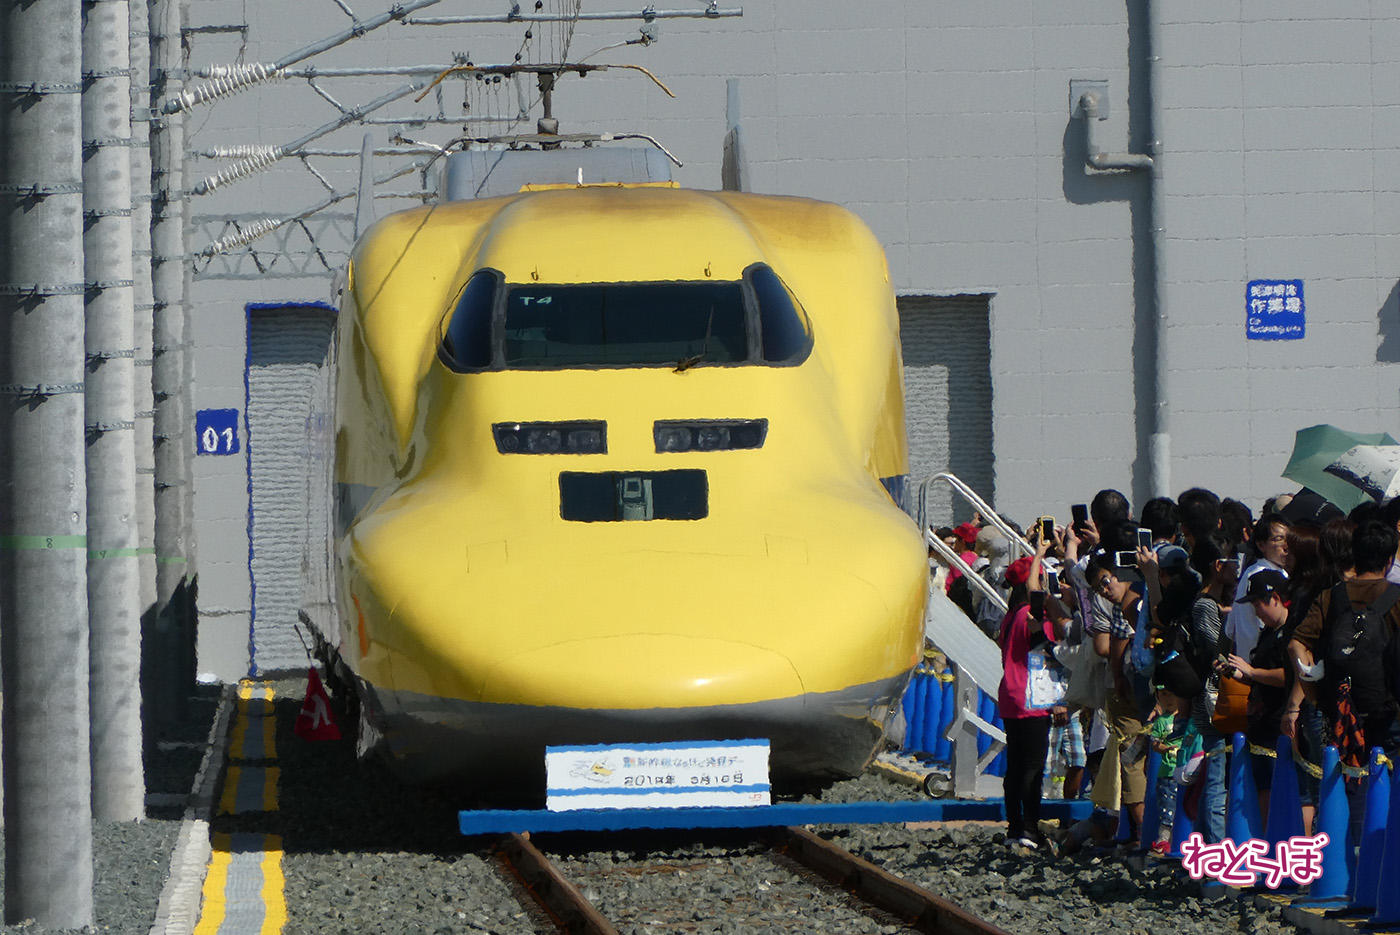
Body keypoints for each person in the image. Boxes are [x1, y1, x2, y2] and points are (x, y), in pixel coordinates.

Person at [1288, 521, 1400, 761]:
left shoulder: (1331, 595)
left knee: (1341, 788)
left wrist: (1314, 695)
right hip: (1389, 715)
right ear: (1389, 560)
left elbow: (1296, 645)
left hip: (1339, 713)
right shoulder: (1397, 596)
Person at [1230, 569, 1315, 831]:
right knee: (1264, 786)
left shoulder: (1294, 633)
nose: (1257, 612)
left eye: (1259, 604)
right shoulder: (1268, 632)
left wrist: (1252, 671)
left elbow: (1289, 676)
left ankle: (1301, 849)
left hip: (1285, 721)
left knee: (1299, 791)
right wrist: (1240, 674)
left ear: (1276, 598)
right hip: (1263, 722)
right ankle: (1271, 846)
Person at [995, 546, 1060, 850]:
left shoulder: (1009, 617)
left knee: (1016, 765)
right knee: (1033, 767)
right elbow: (1047, 651)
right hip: (1032, 697)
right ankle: (1030, 829)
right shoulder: (1032, 615)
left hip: (1010, 694)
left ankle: (1014, 826)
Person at [1087, 551, 1151, 847]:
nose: (1104, 590)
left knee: (1133, 758)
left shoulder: (1133, 603)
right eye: (1099, 587)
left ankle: (1144, 831)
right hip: (1144, 687)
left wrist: (1119, 678)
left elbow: (1116, 646)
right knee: (1142, 756)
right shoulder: (1140, 595)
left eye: (1105, 581)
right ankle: (1144, 829)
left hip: (1133, 686)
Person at [1225, 513, 1291, 661]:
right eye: (1278, 539)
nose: (1286, 546)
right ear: (1261, 545)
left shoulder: (1250, 572)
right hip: (1265, 665)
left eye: (1289, 538)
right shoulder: (1263, 577)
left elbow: (1230, 630)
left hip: (1247, 666)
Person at [1148, 686, 1188, 855]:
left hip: (1186, 771)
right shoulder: (1161, 721)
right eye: (1164, 695)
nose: (1169, 699)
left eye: (1172, 693)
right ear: (1158, 696)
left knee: (1185, 806)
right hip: (1167, 772)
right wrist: (1164, 748)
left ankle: (1183, 840)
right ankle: (1164, 840)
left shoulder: (1186, 719)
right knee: (1167, 807)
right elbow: (1154, 743)